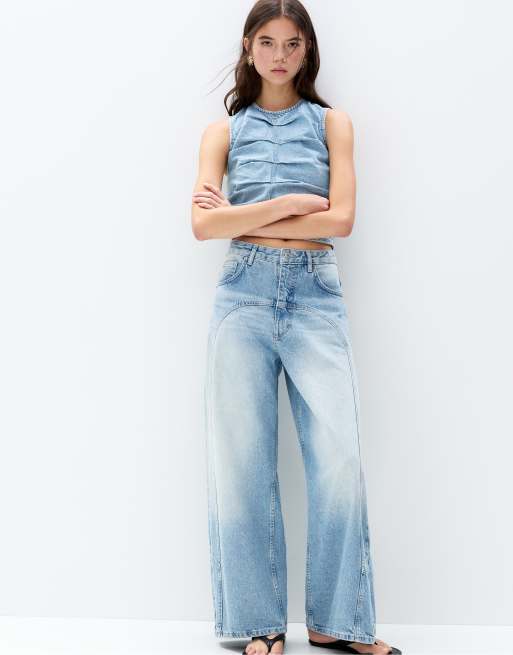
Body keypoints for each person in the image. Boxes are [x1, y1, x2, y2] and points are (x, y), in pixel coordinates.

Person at [191, 2, 402, 655]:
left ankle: (338, 621)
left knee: (338, 458)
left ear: (306, 50)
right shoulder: (222, 133)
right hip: (242, 296)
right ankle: (258, 622)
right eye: (267, 42)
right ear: (248, 47)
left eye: (291, 43)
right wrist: (287, 204)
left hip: (314, 295)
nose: (278, 55)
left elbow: (340, 220)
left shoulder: (332, 123)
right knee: (242, 463)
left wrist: (243, 213)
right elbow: (201, 225)